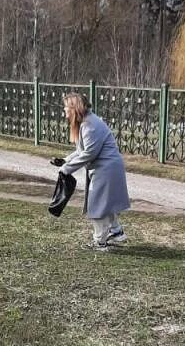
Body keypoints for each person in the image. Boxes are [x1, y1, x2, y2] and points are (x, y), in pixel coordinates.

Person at [51, 92, 130, 250]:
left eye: (66, 107)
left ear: (74, 108)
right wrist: (66, 160)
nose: (64, 110)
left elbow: (89, 154)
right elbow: (83, 150)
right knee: (105, 203)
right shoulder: (86, 122)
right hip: (106, 168)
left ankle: (99, 242)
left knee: (97, 205)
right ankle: (116, 232)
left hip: (107, 169)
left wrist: (66, 169)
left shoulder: (89, 125)